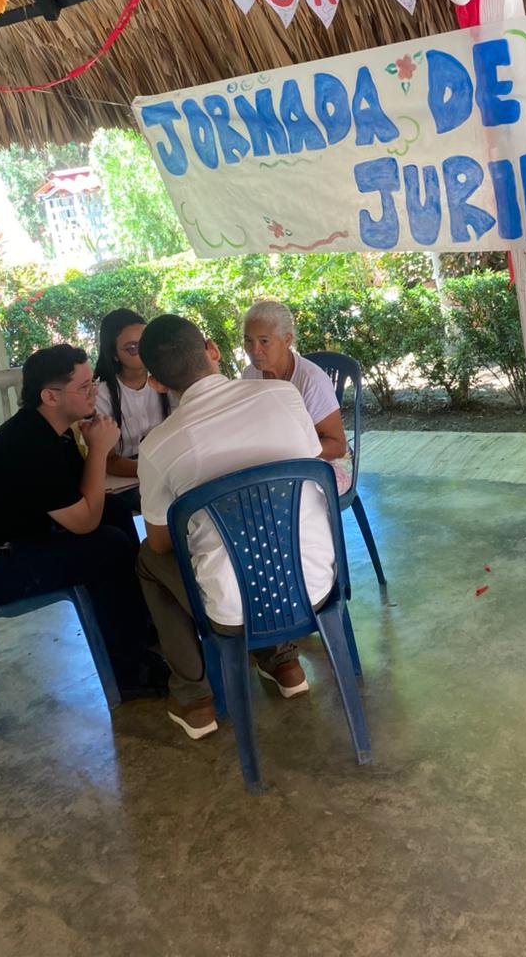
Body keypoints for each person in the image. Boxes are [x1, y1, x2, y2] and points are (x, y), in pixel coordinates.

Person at [135, 314, 336, 740]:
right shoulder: (284, 396)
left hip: (232, 612)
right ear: (212, 349)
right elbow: (312, 458)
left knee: (147, 560)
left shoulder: (156, 447)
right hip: (316, 585)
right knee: (263, 537)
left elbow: (160, 541)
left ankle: (195, 701)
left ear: (154, 382)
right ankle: (284, 662)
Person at [0, 344, 168, 699]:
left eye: (92, 381)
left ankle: (139, 628)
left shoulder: (53, 430)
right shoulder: (30, 445)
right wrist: (98, 451)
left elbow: (85, 497)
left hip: (16, 539)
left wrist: (89, 445)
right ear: (50, 396)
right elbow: (83, 523)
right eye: (84, 387)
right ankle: (129, 670)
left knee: (116, 510)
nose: (94, 391)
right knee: (106, 547)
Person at [241, 299, 352, 493]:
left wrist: (288, 452)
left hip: (325, 463)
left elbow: (337, 447)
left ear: (287, 340)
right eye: (248, 340)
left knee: (284, 495)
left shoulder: (311, 381)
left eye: (264, 341)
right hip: (275, 460)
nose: (254, 350)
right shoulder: (250, 375)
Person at [93, 308, 168, 511]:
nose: (144, 351)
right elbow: (109, 460)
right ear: (114, 354)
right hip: (126, 479)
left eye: (147, 343)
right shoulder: (102, 395)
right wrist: (152, 471)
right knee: (163, 504)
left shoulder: (166, 379)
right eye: (133, 347)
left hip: (164, 465)